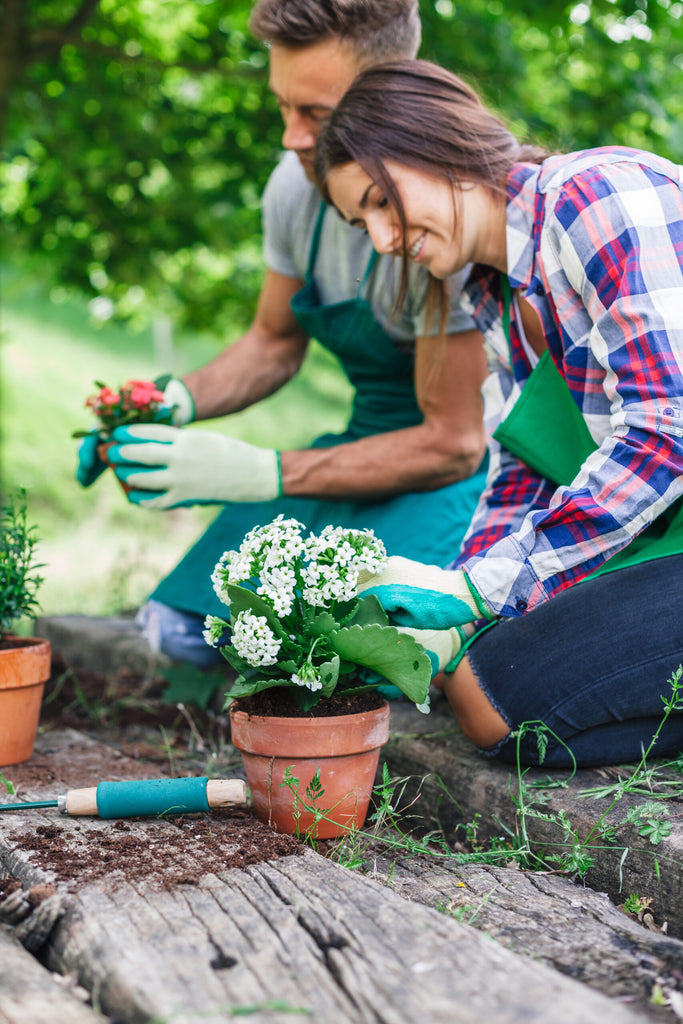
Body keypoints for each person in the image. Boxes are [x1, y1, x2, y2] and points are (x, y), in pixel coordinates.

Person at [76, 2, 488, 671]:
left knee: (348, 659)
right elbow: (272, 342)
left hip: (455, 476)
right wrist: (169, 402)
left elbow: (453, 444)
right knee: (181, 631)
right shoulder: (294, 191)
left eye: (316, 116)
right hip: (356, 454)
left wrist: (260, 472)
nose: (291, 137)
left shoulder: (438, 220)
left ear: (388, 95)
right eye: (282, 108)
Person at [314, 59, 683, 766]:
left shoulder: (593, 198)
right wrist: (448, 606)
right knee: (475, 679)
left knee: (494, 701)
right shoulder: (493, 293)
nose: (384, 239)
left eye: (380, 201)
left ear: (431, 142)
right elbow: (525, 474)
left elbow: (666, 433)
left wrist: (479, 591)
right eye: (362, 223)